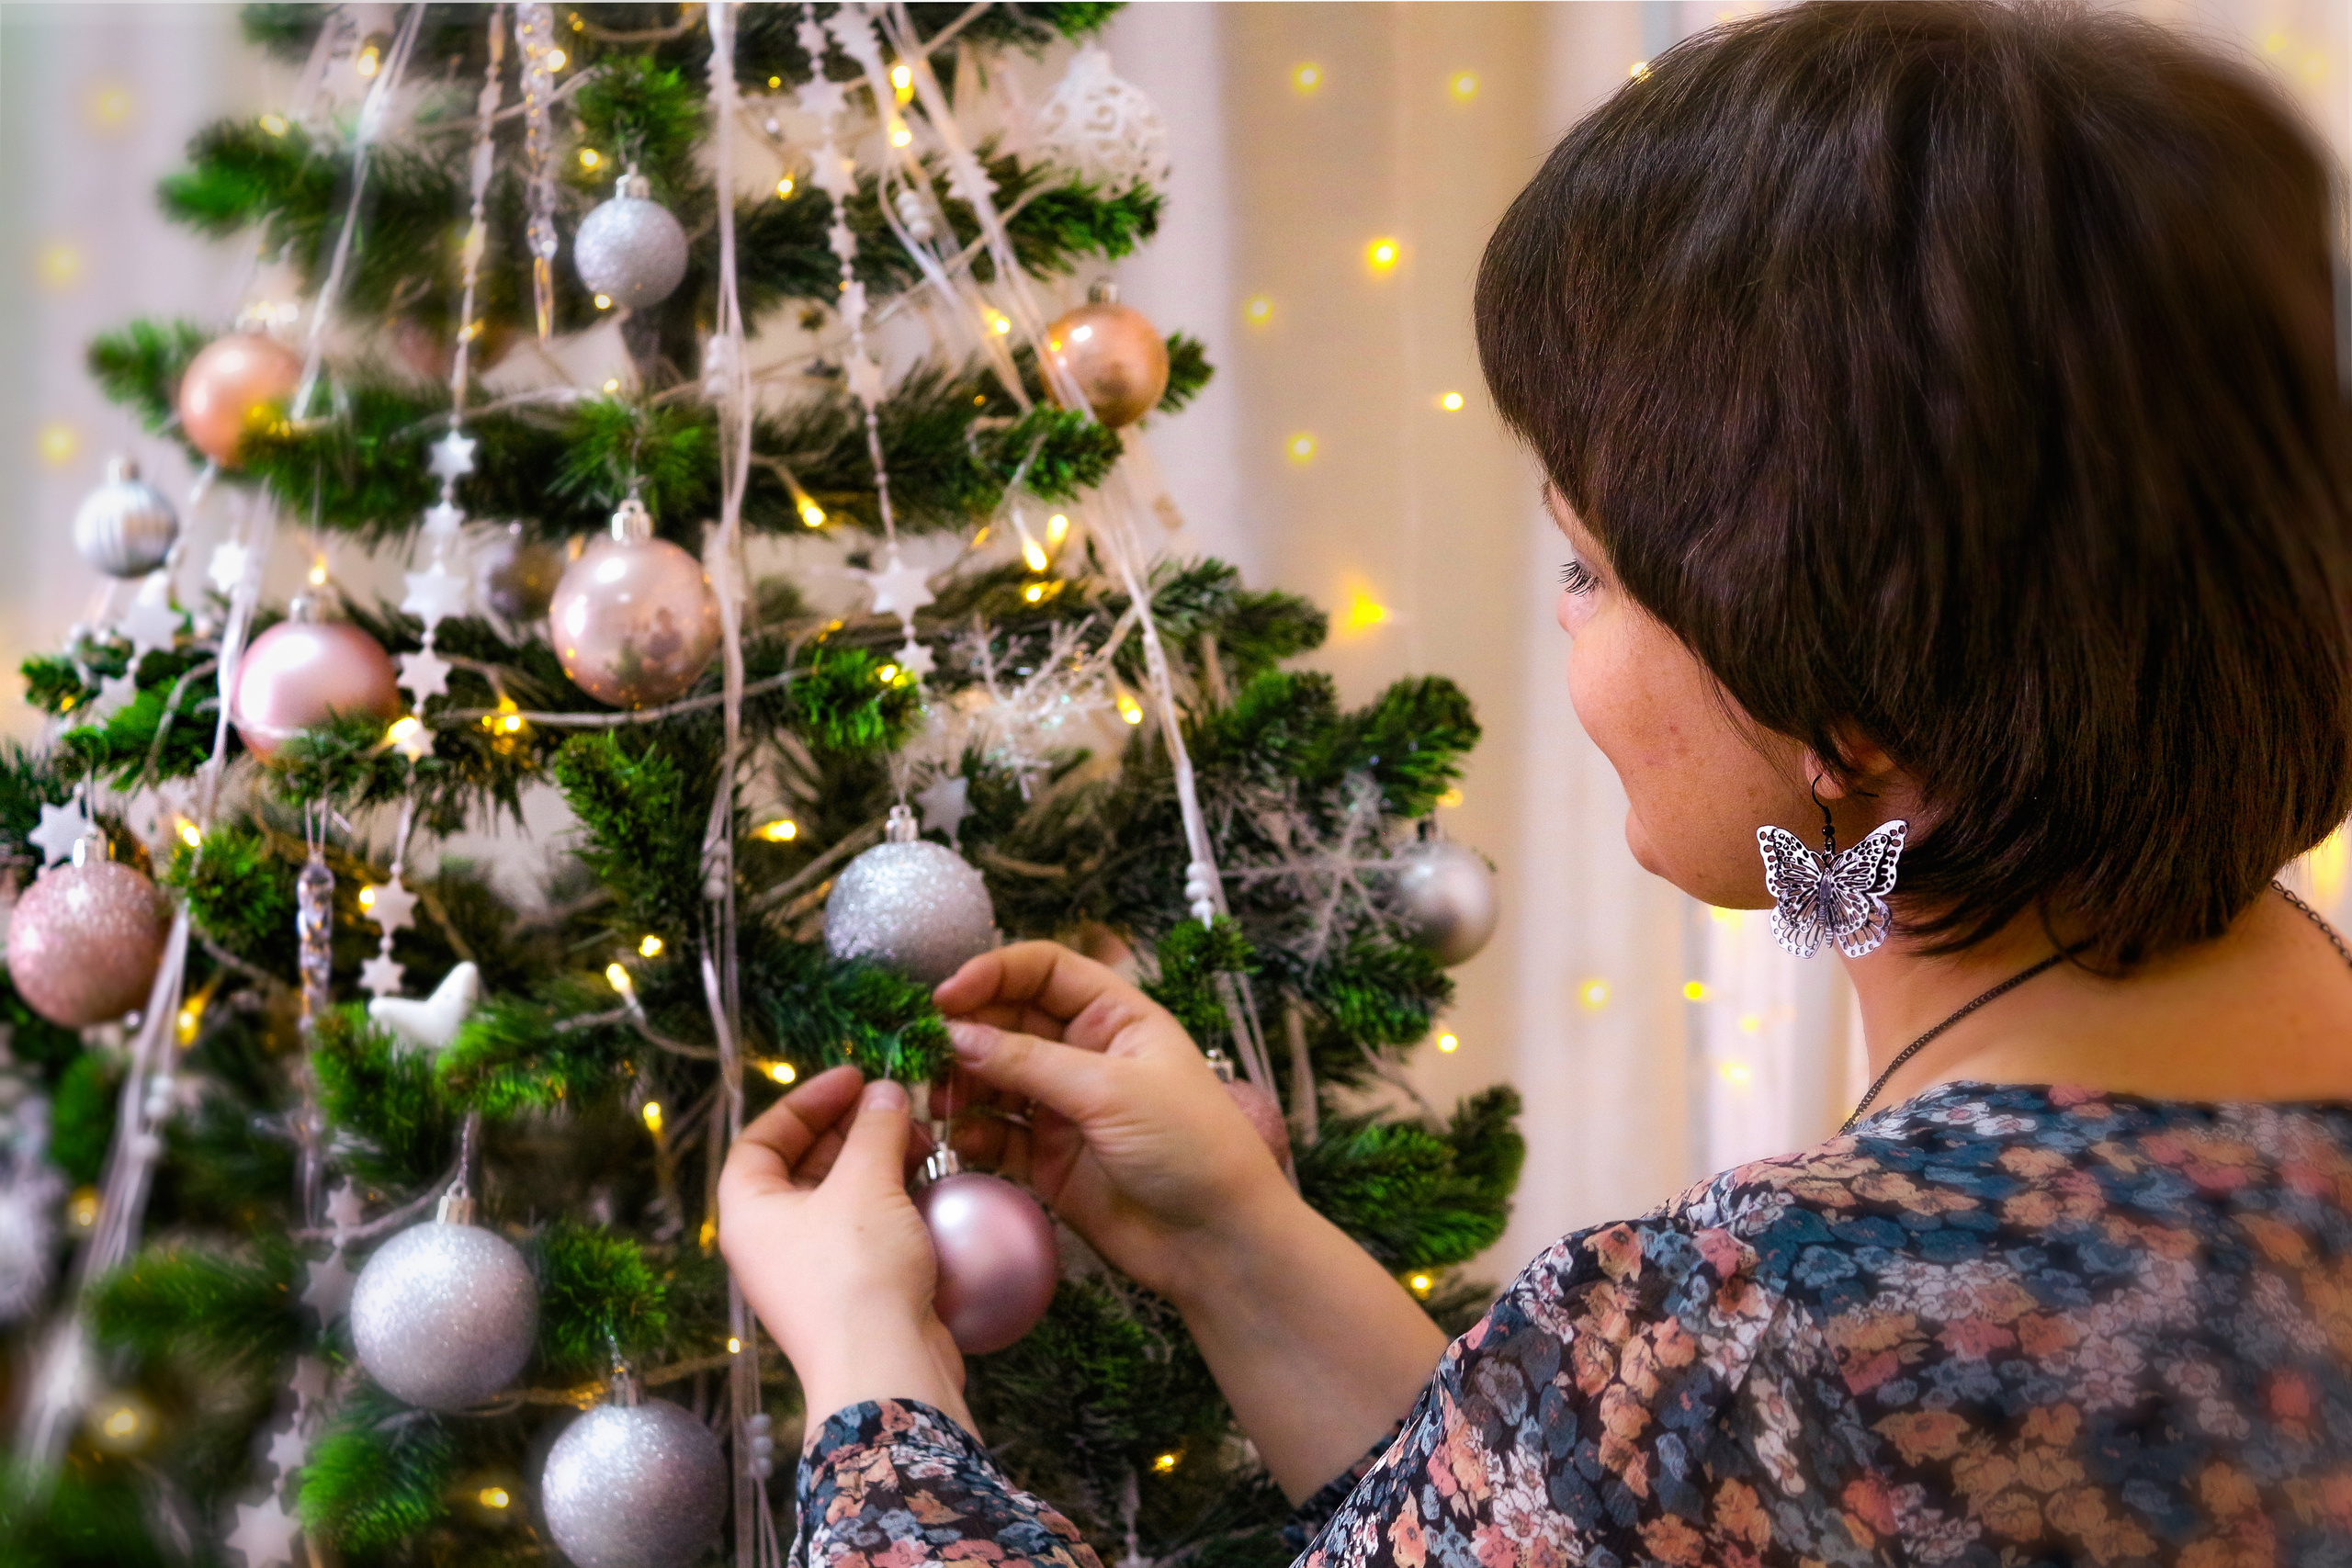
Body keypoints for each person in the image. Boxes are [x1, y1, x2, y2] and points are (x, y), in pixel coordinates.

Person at [718, 2, 2352, 1562]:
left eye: (1587, 572)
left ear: (1829, 699)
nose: (1564, 625)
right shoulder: (2276, 1029)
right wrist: (1227, 1238)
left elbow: (1693, 1444)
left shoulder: (1765, 1325)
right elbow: (1592, 1512)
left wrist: (876, 1379)